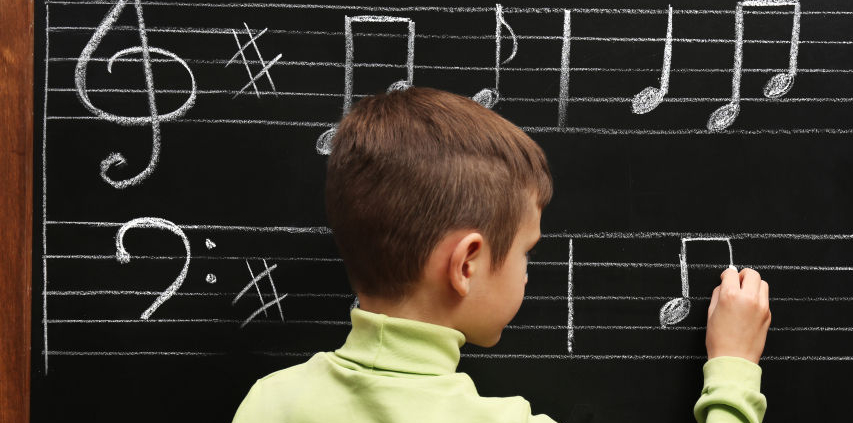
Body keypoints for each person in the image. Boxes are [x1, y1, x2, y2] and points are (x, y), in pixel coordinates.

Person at [231, 86, 771, 423]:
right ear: (466, 264)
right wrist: (733, 373)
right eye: (526, 252)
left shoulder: (268, 405)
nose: (528, 272)